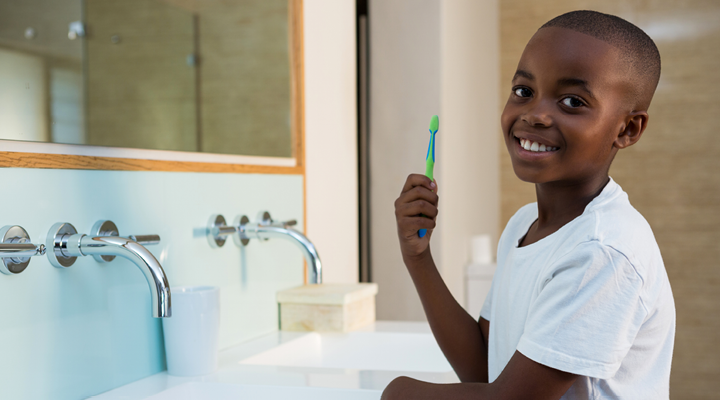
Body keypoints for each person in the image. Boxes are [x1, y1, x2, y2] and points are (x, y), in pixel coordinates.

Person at [384, 10, 675, 400]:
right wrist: (417, 258)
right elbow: (484, 367)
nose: (535, 114)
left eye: (572, 101)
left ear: (627, 129)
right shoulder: (525, 226)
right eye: (523, 91)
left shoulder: (603, 251)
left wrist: (398, 392)